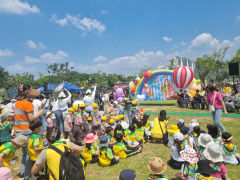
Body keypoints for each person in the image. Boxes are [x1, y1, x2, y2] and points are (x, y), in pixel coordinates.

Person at [14, 84, 44, 177]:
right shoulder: (28, 104)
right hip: (26, 131)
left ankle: (24, 174)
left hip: (18, 131)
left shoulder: (17, 103)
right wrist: (40, 112)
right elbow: (31, 119)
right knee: (29, 155)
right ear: (28, 94)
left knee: (24, 154)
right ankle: (29, 175)